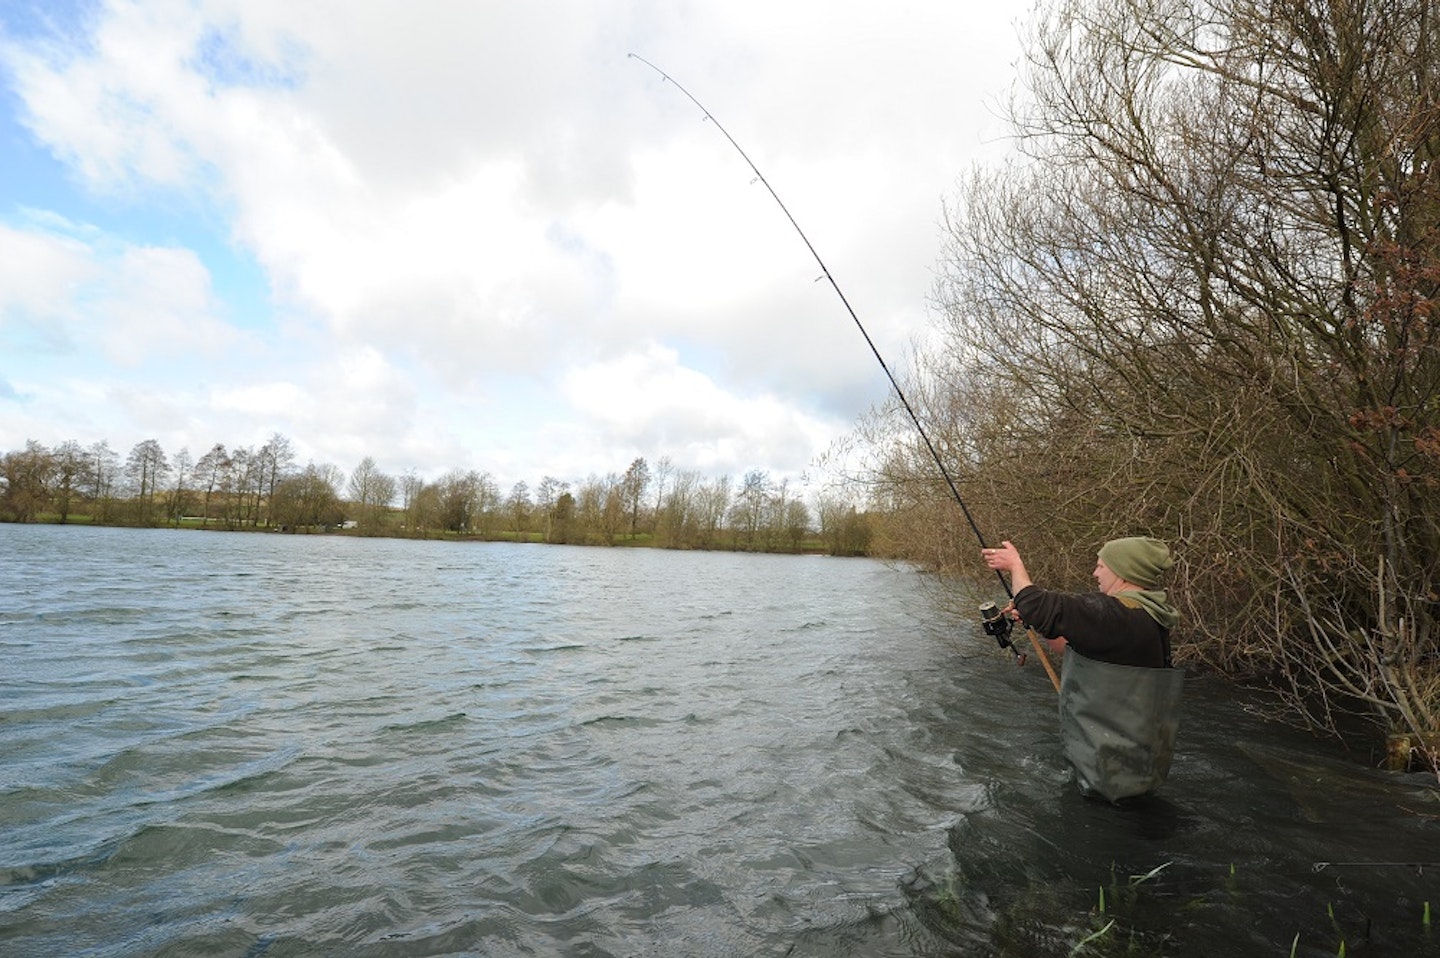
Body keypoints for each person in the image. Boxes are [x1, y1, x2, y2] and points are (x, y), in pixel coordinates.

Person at [981, 537, 1184, 802]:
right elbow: (1072, 649)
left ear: (1123, 571)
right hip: (1128, 768)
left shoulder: (1120, 615)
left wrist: (1016, 567)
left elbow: (1039, 606)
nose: (1095, 573)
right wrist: (1039, 623)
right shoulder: (1144, 615)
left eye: (1101, 566)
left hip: (1112, 782)